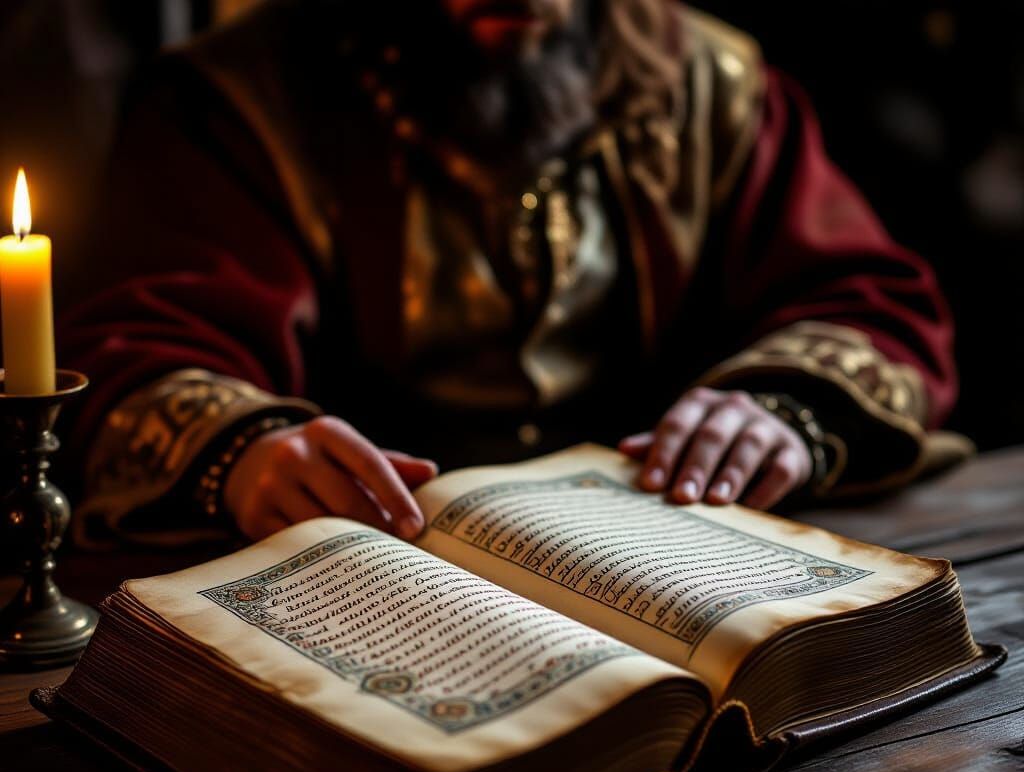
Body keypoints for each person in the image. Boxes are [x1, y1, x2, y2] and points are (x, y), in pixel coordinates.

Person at [59, 0, 968, 548]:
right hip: (367, 561)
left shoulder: (707, 82)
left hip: (662, 557)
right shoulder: (241, 101)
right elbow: (146, 342)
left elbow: (866, 302)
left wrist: (780, 409)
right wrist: (245, 453)